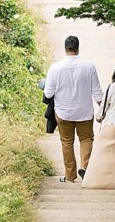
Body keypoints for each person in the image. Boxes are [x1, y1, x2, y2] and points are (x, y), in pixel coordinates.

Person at [43, 36, 103, 183]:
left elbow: (48, 94)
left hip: (64, 113)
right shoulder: (89, 66)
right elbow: (97, 93)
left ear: (65, 49)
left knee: (67, 142)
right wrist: (104, 109)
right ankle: (86, 168)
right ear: (78, 48)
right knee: (86, 139)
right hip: (85, 113)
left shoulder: (55, 68)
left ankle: (70, 176)